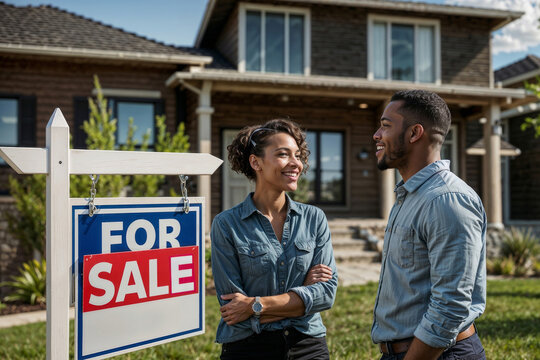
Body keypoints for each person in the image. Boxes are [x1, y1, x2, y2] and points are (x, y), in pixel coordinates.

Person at [371, 90, 487, 360]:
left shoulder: (447, 200)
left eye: (386, 126)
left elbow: (450, 306)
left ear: (414, 133)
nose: (376, 135)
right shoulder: (410, 196)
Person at [211, 118, 338, 360]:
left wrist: (255, 305)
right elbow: (233, 311)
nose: (296, 164)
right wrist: (302, 297)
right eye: (283, 154)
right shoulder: (226, 225)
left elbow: (326, 294)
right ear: (255, 162)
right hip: (249, 346)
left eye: (298, 156)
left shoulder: (314, 218)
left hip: (308, 344)